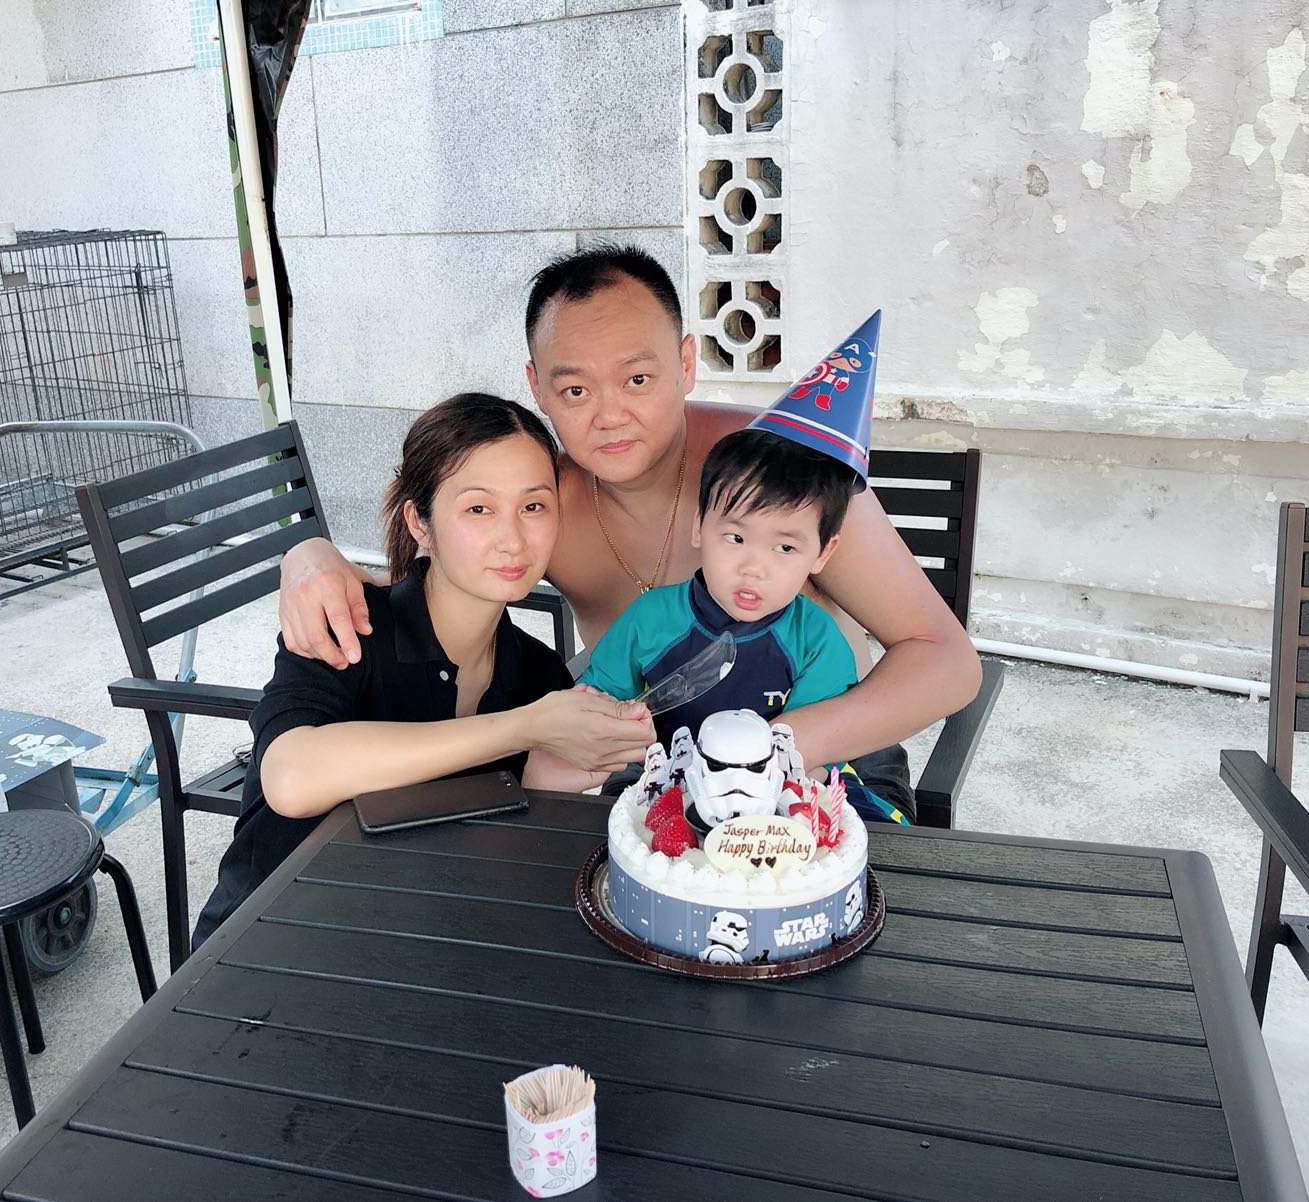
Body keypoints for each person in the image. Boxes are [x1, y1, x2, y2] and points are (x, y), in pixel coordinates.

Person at [274, 246, 981, 819]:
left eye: (637, 379)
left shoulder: (778, 474)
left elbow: (947, 661)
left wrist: (758, 750)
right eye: (576, 390)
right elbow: (442, 574)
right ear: (538, 388)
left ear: (685, 363)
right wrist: (310, 556)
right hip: (653, 769)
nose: (609, 415)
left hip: (826, 760)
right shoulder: (545, 505)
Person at [192, 393, 652, 946]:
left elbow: (506, 836)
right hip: (269, 940)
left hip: (415, 935)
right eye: (478, 509)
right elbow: (290, 777)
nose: (513, 540)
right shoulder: (346, 625)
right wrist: (526, 726)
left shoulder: (537, 673)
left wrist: (576, 766)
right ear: (420, 522)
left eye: (533, 507)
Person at [535, 425, 908, 824]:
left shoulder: (817, 640)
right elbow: (599, 702)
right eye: (735, 538)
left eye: (785, 547)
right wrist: (600, 718)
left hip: (784, 797)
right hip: (670, 782)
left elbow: (806, 759)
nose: (754, 568)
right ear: (699, 526)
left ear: (822, 553)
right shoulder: (649, 620)